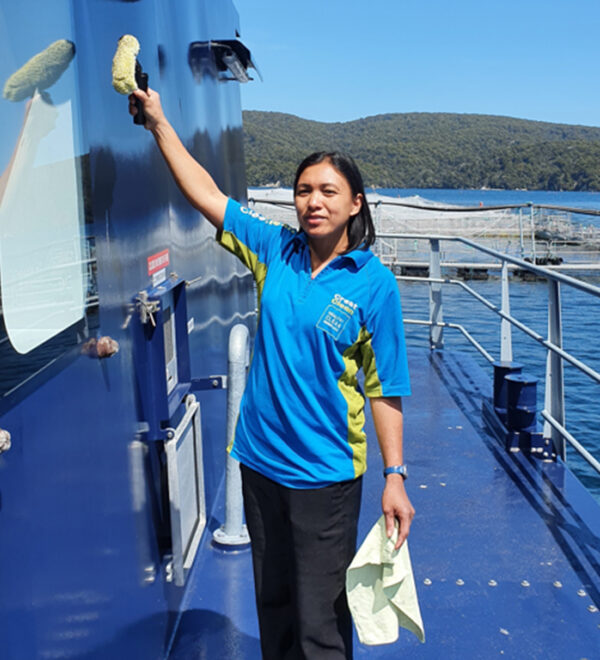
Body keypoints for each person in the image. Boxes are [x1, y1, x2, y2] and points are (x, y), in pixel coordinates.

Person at [129, 88, 414, 659]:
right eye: (304, 191)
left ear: (356, 203)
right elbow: (207, 194)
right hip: (260, 463)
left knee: (321, 622)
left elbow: (386, 388)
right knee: (275, 607)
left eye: (328, 191)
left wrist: (395, 474)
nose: (314, 201)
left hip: (325, 474)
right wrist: (159, 124)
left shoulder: (373, 284)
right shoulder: (274, 250)